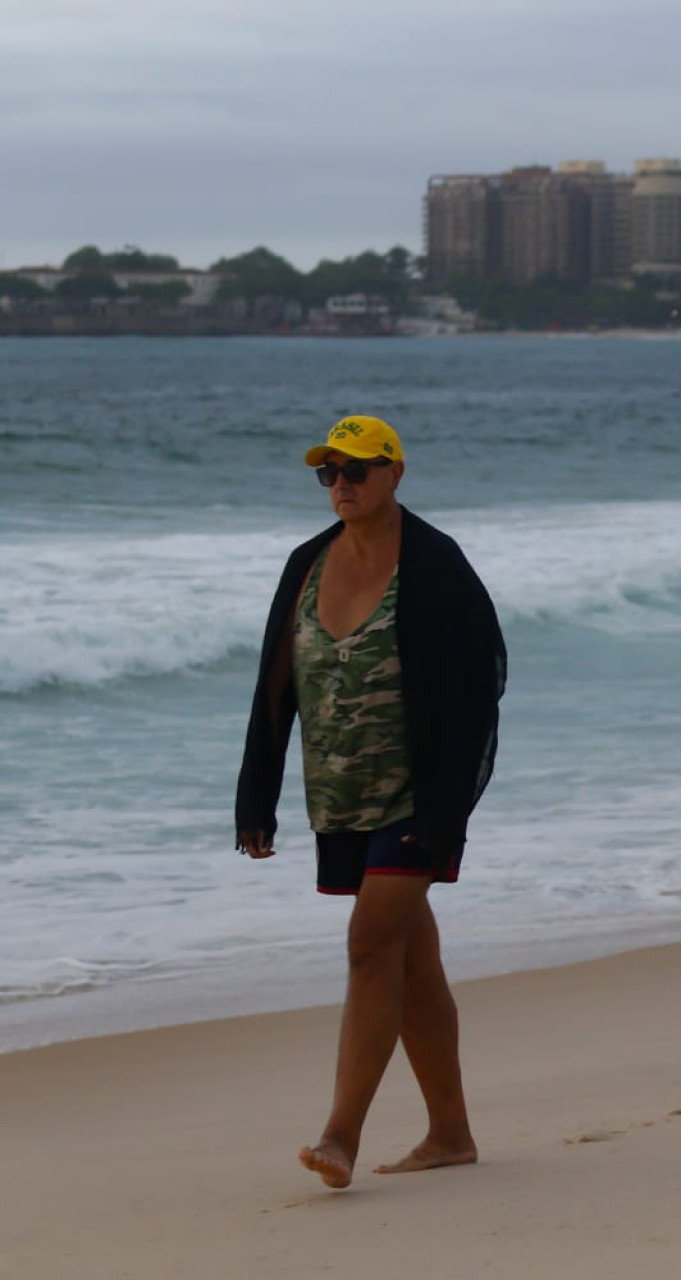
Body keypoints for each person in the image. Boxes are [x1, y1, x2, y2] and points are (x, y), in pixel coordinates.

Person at [235, 415, 507, 1190]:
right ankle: (450, 1135)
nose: (342, 484)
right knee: (411, 960)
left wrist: (448, 811)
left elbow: (478, 691)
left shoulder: (435, 566)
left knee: (368, 945)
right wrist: (257, 796)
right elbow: (275, 686)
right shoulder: (307, 564)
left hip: (419, 798)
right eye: (329, 473)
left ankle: (339, 1136)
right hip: (341, 794)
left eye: (357, 469)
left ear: (395, 473)